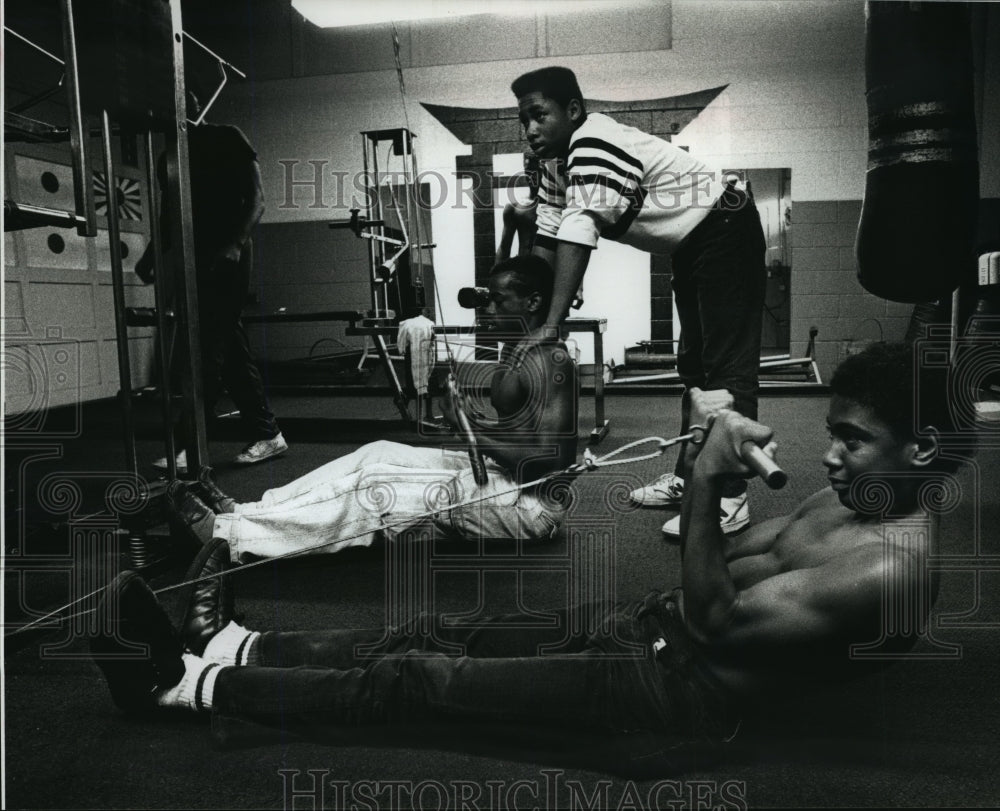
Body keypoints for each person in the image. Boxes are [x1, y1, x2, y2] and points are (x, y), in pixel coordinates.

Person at [90, 342, 960, 749]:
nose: (832, 453)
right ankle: (243, 642)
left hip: (672, 694)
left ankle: (191, 688)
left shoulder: (890, 569)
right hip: (653, 624)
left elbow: (720, 616)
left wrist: (703, 489)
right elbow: (729, 565)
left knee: (421, 681)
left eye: (852, 438)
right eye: (835, 435)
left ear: (921, 449)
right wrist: (712, 475)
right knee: (432, 631)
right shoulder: (847, 501)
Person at [166, 255, 578, 563]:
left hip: (531, 506)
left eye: (497, 302)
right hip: (504, 479)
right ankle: (248, 511)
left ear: (532, 302)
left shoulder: (551, 360)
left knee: (375, 486)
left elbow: (551, 460)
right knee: (378, 451)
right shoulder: (520, 343)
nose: (486, 310)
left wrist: (465, 423)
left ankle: (227, 537)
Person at [511, 66, 767, 536]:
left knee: (726, 367)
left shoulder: (592, 142)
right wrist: (536, 316)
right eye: (522, 119)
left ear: (572, 110)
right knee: (692, 364)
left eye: (538, 115)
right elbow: (549, 235)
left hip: (725, 224)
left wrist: (552, 324)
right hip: (691, 242)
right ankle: (693, 475)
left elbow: (581, 227)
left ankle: (729, 494)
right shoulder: (552, 164)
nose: (530, 130)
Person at [135, 89, 286, 474]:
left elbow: (257, 200)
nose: (169, 114)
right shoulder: (166, 156)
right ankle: (267, 433)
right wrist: (153, 254)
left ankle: (193, 447)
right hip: (193, 258)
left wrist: (236, 243)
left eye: (177, 105)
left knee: (206, 351)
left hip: (230, 254)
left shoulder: (227, 137)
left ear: (195, 107)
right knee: (229, 347)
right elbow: (171, 215)